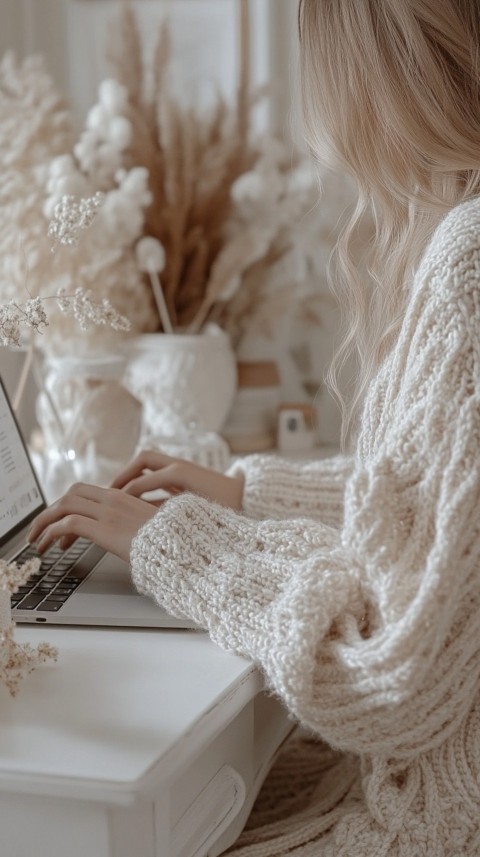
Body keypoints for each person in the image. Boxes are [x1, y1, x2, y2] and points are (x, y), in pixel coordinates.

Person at [28, 1, 480, 854]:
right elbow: (428, 511)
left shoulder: (468, 265)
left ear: (374, 69)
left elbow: (398, 684)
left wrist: (185, 547)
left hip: (429, 822)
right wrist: (247, 491)